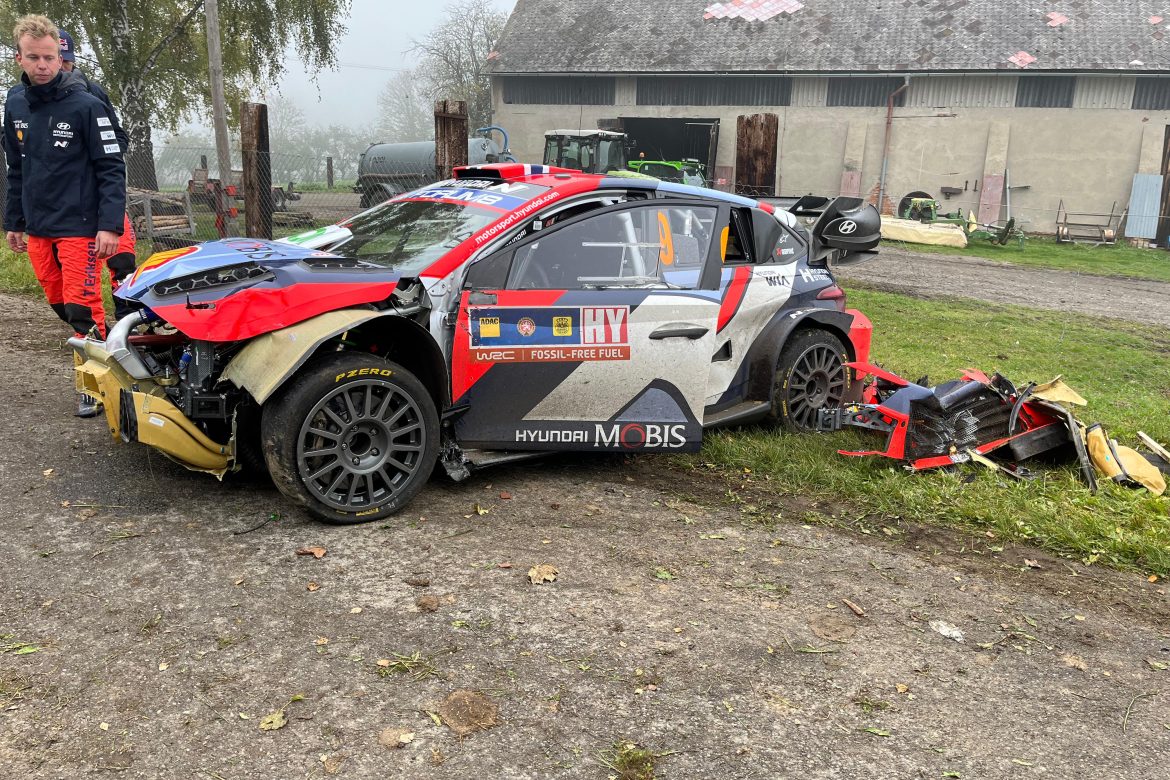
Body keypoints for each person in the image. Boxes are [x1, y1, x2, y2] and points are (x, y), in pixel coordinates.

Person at [3, 15, 127, 417]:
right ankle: (113, 351)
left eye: (49, 58)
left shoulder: (87, 105)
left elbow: (112, 168)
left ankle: (95, 386)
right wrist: (13, 221)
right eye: (33, 57)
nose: (42, 65)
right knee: (59, 303)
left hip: (80, 225)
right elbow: (16, 168)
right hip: (39, 226)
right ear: (19, 58)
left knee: (81, 307)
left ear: (61, 58)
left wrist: (109, 226)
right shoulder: (14, 103)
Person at [58, 28, 137, 318]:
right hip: (65, 203)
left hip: (102, 193)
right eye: (56, 59)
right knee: (73, 272)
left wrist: (103, 155)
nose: (61, 66)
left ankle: (129, 319)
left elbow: (119, 136)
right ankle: (87, 324)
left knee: (123, 258)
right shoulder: (27, 99)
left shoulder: (93, 93)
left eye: (66, 60)